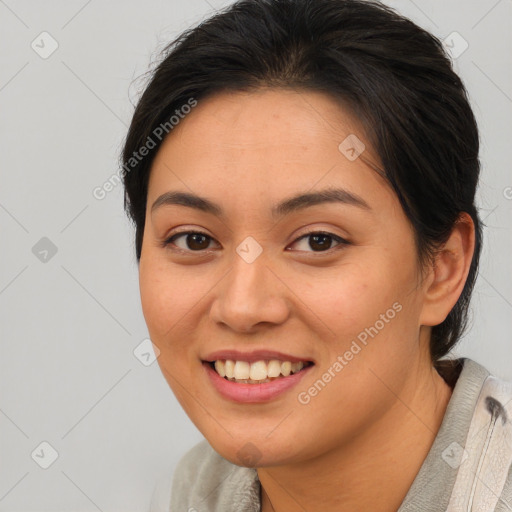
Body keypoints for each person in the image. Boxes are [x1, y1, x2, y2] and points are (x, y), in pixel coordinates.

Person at [120, 0, 512, 510]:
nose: (242, 307)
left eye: (318, 241)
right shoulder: (198, 491)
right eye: (194, 239)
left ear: (443, 268)